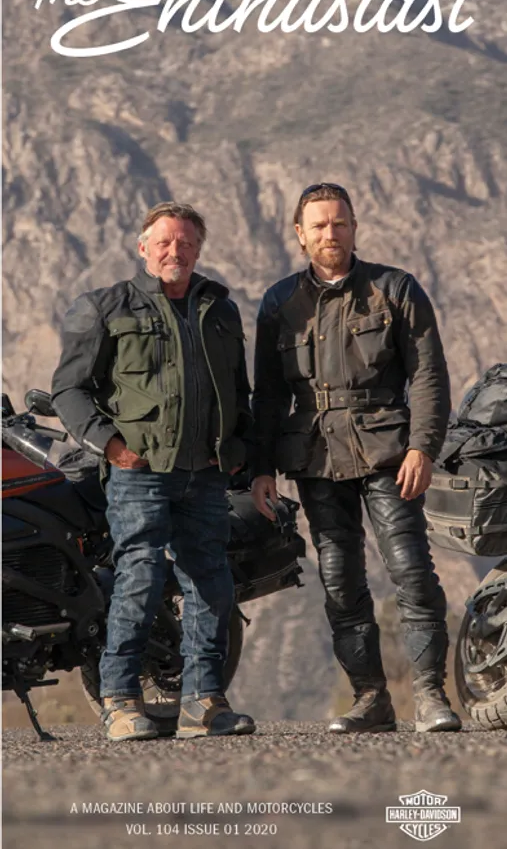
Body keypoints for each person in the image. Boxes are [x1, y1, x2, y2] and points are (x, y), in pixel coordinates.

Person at [251, 182, 461, 734]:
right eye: (319, 225)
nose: (331, 233)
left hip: (389, 452)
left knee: (410, 570)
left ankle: (430, 694)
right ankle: (371, 698)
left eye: (339, 223)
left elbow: (428, 374)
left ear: (354, 228)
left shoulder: (394, 289)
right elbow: (268, 395)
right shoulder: (278, 303)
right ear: (300, 235)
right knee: (340, 580)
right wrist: (261, 468)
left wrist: (423, 446)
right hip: (316, 457)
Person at [51, 201, 255, 741]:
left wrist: (239, 452)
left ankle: (203, 702)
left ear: (198, 249)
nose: (175, 251)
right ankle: (119, 700)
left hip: (204, 472)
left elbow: (239, 391)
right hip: (139, 472)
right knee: (139, 578)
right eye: (164, 241)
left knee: (211, 583)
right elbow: (69, 390)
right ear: (143, 247)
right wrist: (111, 446)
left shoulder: (220, 310)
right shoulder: (105, 307)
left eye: (186, 242)